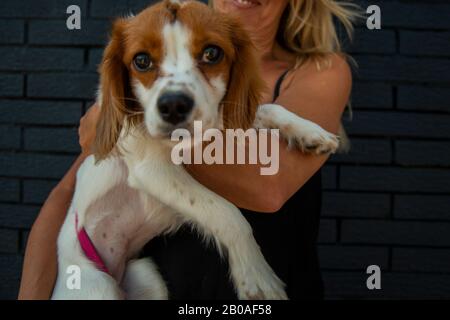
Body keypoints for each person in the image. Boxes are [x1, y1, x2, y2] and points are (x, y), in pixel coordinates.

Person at [18, 0, 356, 300]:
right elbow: (64, 195)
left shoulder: (320, 71)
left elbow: (268, 186)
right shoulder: (146, 75)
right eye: (145, 62)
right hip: (112, 273)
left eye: (210, 55)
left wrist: (145, 135)